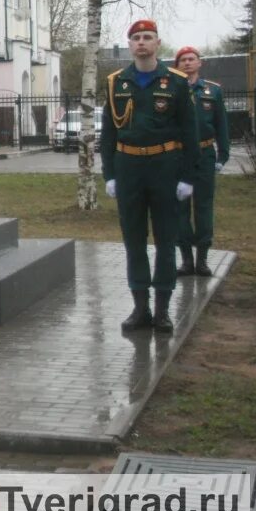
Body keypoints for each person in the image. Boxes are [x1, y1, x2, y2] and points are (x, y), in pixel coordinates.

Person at [101, 20, 199, 333]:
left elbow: (190, 132)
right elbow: (108, 133)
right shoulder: (116, 82)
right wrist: (109, 174)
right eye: (136, 38)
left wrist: (187, 177)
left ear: (158, 44)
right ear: (129, 45)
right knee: (133, 241)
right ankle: (140, 309)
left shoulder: (177, 82)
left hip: (165, 166)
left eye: (147, 38)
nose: (141, 43)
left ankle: (162, 311)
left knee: (166, 241)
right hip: (128, 167)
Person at [173, 46, 229, 277]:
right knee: (180, 209)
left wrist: (222, 154)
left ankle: (202, 260)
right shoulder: (172, 90)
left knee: (204, 208)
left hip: (204, 155)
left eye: (191, 59)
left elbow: (221, 124)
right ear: (177, 65)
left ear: (199, 63)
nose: (187, 63)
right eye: (182, 60)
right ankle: (186, 260)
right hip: (179, 156)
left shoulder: (212, 91)